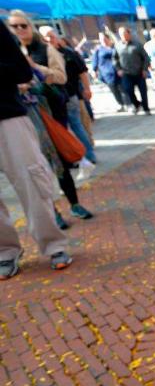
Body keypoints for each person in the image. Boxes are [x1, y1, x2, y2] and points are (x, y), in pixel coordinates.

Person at [8, 13, 94, 228]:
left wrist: (34, 67)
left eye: (23, 25)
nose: (20, 30)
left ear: (30, 26)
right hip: (22, 116)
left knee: (59, 161)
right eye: (14, 27)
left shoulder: (45, 49)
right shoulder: (10, 53)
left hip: (49, 113)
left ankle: (74, 203)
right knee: (35, 166)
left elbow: (61, 77)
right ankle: (52, 211)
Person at [1, 20, 72, 278]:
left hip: (7, 117)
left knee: (32, 182)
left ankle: (53, 245)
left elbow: (22, 71)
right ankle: (5, 252)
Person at [39, 26, 97, 164]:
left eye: (51, 36)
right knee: (63, 128)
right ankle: (74, 155)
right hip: (53, 99)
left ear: (57, 37)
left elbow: (82, 72)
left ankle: (89, 155)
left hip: (71, 95)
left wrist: (87, 89)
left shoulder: (69, 54)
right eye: (45, 37)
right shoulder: (42, 55)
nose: (48, 39)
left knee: (77, 124)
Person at [113, 26, 151, 115]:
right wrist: (118, 69)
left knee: (143, 91)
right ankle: (137, 104)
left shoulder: (137, 44)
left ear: (129, 34)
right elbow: (115, 59)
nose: (124, 36)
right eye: (121, 34)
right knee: (128, 90)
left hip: (139, 72)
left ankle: (146, 108)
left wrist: (145, 69)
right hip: (126, 73)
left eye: (125, 34)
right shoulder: (118, 46)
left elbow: (146, 58)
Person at [92, 33, 128, 112]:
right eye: (101, 39)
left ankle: (129, 103)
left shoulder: (115, 47)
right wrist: (95, 71)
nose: (103, 41)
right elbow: (95, 61)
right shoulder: (98, 50)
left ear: (108, 39)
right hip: (107, 74)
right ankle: (121, 104)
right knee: (114, 90)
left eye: (105, 39)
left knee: (124, 88)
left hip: (119, 71)